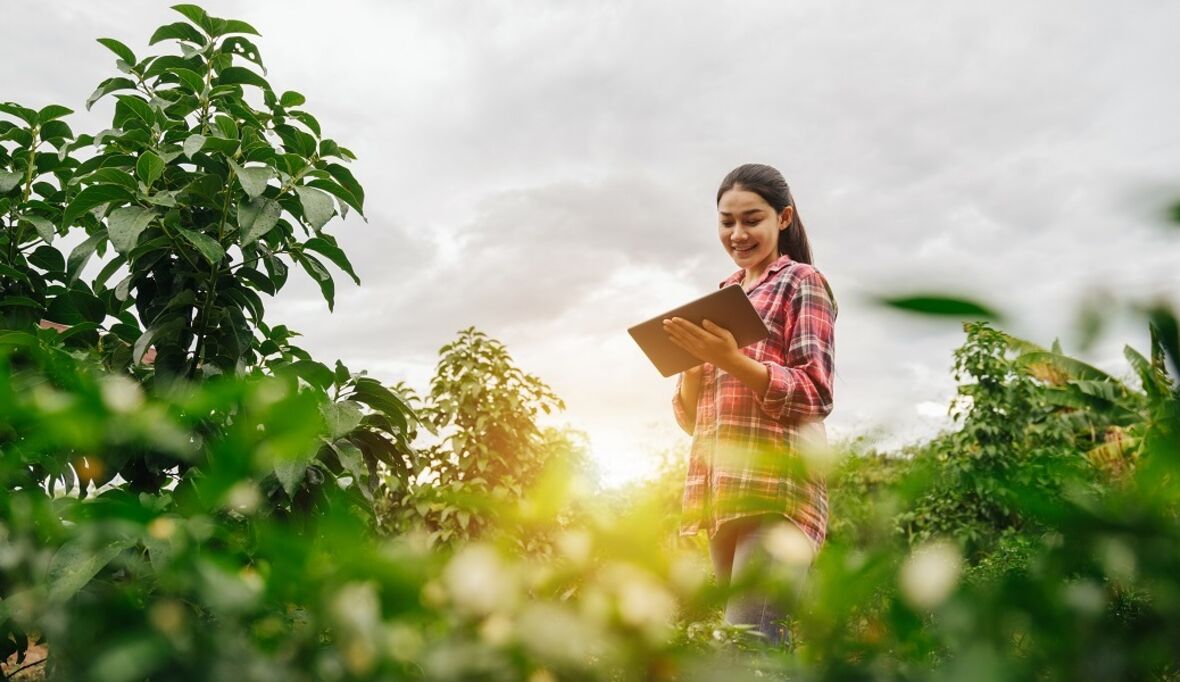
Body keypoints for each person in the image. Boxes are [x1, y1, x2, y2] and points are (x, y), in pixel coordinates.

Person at [662, 162, 837, 648]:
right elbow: (696, 419)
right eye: (726, 221)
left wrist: (730, 360)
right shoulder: (723, 296)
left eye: (751, 219)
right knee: (746, 650)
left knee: (746, 652)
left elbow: (815, 392)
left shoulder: (802, 281)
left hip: (776, 493)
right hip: (724, 495)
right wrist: (695, 369)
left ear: (783, 219)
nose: (738, 233)